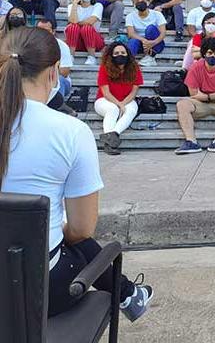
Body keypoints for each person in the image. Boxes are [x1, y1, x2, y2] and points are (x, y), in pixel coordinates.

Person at [0, 27, 153, 322]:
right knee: (73, 239)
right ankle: (129, 295)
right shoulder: (70, 132)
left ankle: (131, 295)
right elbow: (82, 229)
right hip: (35, 291)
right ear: (54, 73)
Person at [95, 42, 143, 155]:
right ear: (111, 55)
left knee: (131, 110)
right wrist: (119, 104)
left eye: (123, 52)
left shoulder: (135, 68)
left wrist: (123, 103)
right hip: (104, 100)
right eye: (116, 53)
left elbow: (134, 91)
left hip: (127, 99)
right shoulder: (104, 68)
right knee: (113, 109)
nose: (120, 55)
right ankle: (111, 140)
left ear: (128, 54)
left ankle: (112, 137)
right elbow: (105, 92)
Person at [65, 0, 104, 65]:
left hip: (94, 40)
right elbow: (72, 20)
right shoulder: (72, 6)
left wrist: (77, 23)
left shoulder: (98, 6)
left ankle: (91, 57)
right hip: (76, 41)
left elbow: (91, 21)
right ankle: (70, 56)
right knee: (72, 27)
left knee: (86, 28)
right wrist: (75, 4)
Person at [36, 19, 73, 102]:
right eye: (40, 30)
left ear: (53, 31)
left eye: (47, 31)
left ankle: (58, 106)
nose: (43, 33)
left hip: (58, 80)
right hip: (37, 80)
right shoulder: (30, 45)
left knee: (58, 79)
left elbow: (64, 72)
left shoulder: (62, 46)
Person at [125, 0, 167, 67]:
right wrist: (144, 41)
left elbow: (163, 33)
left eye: (142, 0)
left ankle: (151, 56)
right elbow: (131, 33)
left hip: (156, 42)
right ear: (133, 4)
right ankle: (129, 62)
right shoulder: (130, 16)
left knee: (150, 28)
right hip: (141, 43)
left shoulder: (157, 14)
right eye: (137, 0)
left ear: (147, 2)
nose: (140, 2)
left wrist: (153, 42)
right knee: (132, 41)